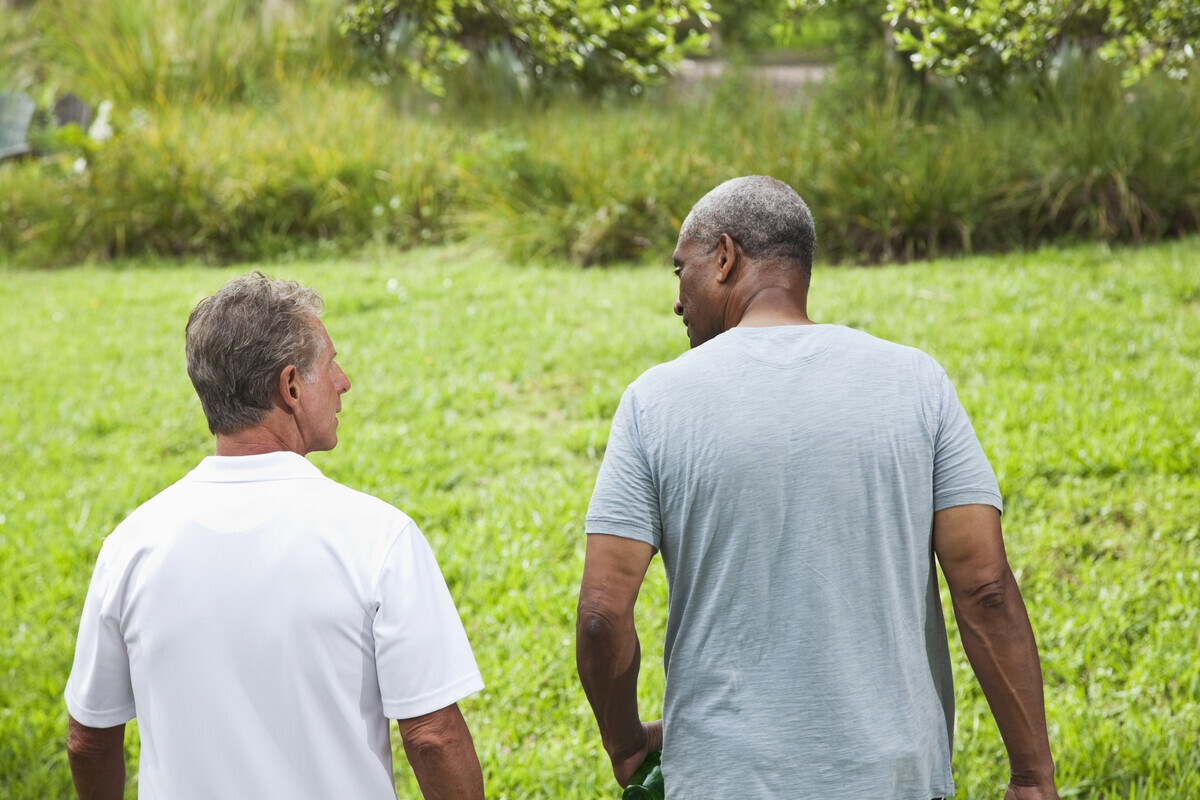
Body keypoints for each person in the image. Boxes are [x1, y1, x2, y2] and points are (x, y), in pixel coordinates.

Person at [576, 176, 1059, 800]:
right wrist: (1031, 776)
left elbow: (601, 615)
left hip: (725, 778)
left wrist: (624, 744)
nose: (677, 301)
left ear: (725, 258)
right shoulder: (915, 383)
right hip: (893, 777)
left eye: (680, 271)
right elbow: (986, 589)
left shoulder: (655, 402)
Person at [65, 273, 485, 800]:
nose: (344, 380)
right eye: (329, 363)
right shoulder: (378, 538)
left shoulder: (130, 545)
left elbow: (88, 741)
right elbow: (433, 738)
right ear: (290, 387)